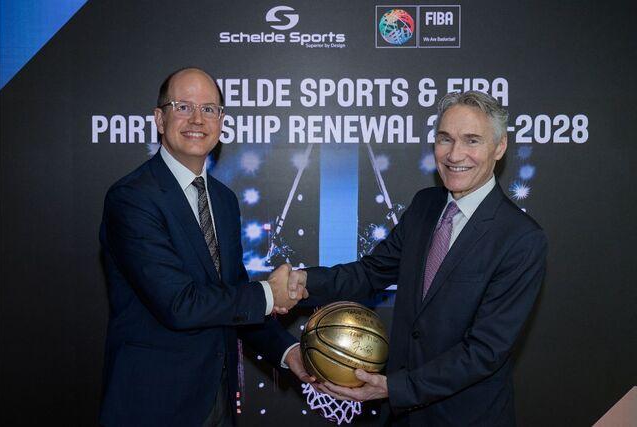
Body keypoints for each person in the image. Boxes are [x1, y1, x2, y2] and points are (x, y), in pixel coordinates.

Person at [289, 90, 548, 426]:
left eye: (472, 140)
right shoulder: (425, 205)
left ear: (499, 147)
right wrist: (303, 280)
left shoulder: (521, 238)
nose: (455, 154)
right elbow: (371, 273)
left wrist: (395, 388)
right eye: (445, 138)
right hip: (400, 418)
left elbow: (484, 351)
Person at [98, 67, 310, 427]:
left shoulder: (223, 200)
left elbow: (231, 296)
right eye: (183, 107)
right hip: (153, 405)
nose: (197, 119)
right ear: (159, 119)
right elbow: (179, 304)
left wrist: (288, 352)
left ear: (221, 122)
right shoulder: (131, 198)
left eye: (209, 109)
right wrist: (268, 294)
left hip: (218, 399)